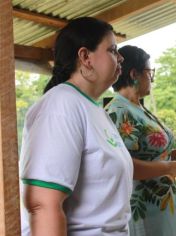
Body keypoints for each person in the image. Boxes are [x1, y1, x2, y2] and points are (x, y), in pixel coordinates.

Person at [19, 17, 133, 236]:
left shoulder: (93, 108)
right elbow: (43, 205)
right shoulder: (61, 105)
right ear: (85, 57)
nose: (121, 58)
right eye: (112, 50)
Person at [105, 45, 176, 236]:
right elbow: (122, 165)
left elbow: (156, 156)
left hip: (161, 208)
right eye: (149, 72)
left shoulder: (138, 108)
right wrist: (169, 168)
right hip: (143, 211)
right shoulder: (119, 111)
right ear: (134, 74)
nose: (152, 78)